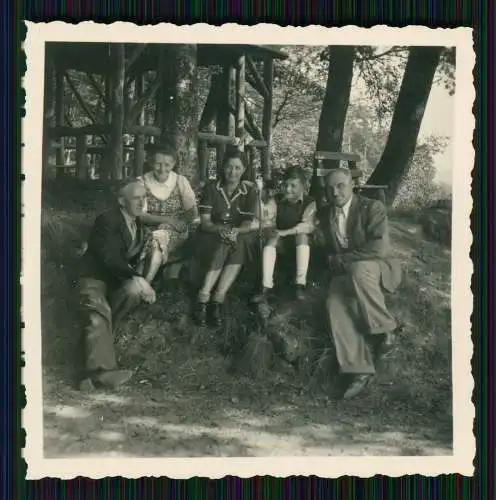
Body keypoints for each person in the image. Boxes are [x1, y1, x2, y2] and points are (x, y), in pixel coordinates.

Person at [315, 167, 402, 399]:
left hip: (376, 267)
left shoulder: (371, 207)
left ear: (352, 185)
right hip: (346, 272)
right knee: (334, 302)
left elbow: (379, 248)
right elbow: (325, 250)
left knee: (359, 268)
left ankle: (386, 330)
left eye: (340, 185)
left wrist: (342, 259)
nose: (335, 192)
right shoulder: (325, 214)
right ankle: (358, 369)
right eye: (330, 188)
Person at [76, 178, 157, 390]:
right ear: (122, 201)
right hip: (93, 278)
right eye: (136, 198)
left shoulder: (138, 225)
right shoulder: (108, 220)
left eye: (145, 197)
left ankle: (102, 351)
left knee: (133, 293)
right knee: (98, 309)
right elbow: (108, 256)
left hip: (114, 282)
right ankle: (99, 374)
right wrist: (138, 278)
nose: (142, 203)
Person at [193, 150, 259, 326]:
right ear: (223, 167)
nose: (233, 172)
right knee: (225, 241)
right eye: (229, 166)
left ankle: (215, 301)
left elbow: (247, 224)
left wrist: (235, 231)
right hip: (210, 234)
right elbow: (206, 223)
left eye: (238, 168)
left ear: (244, 169)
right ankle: (204, 298)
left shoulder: (250, 191)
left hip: (237, 233)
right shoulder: (211, 187)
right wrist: (223, 229)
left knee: (235, 243)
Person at [252, 166, 317, 302]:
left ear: (303, 186)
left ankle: (300, 284)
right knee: (272, 240)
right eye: (285, 185)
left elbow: (306, 226)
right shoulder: (276, 199)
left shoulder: (309, 202)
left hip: (300, 243)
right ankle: (266, 286)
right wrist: (259, 196)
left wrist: (285, 232)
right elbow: (264, 216)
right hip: (281, 240)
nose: (288, 189)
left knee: (302, 236)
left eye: (293, 186)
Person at [137, 143, 198, 284]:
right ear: (151, 162)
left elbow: (192, 211)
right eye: (158, 164)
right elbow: (141, 215)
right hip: (147, 229)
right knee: (156, 238)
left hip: (175, 231)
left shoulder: (180, 181)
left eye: (167, 164)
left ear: (174, 164)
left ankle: (143, 283)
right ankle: (146, 283)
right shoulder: (142, 182)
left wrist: (181, 223)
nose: (162, 169)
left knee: (159, 236)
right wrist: (167, 220)